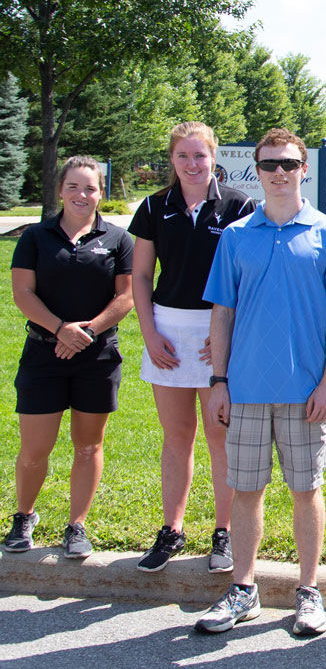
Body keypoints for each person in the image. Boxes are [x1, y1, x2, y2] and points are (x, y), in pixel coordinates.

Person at [194, 129, 326, 637]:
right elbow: (221, 313)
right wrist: (218, 381)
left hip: (306, 392)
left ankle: (308, 591)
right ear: (256, 171)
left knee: (306, 490)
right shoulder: (237, 236)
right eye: (269, 165)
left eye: (289, 163)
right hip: (243, 389)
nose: (279, 172)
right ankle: (243, 589)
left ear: (303, 169)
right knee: (245, 491)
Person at [129, 122, 255, 573]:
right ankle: (172, 529)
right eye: (183, 156)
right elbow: (140, 277)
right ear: (172, 160)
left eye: (200, 156)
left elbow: (247, 277)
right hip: (167, 333)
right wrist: (149, 334)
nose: (192, 164)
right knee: (176, 438)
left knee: (220, 439)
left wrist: (226, 333)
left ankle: (223, 533)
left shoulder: (239, 205)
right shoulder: (152, 207)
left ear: (214, 157)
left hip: (216, 332)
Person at [4, 157, 134, 558]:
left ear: (101, 193)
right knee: (35, 449)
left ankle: (76, 525)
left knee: (88, 446)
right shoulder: (35, 237)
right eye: (74, 187)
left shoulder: (117, 239)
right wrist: (61, 329)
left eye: (90, 188)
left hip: (97, 358)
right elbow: (23, 293)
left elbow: (125, 296)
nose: (82, 195)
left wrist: (87, 332)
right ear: (60, 190)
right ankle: (24, 516)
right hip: (44, 355)